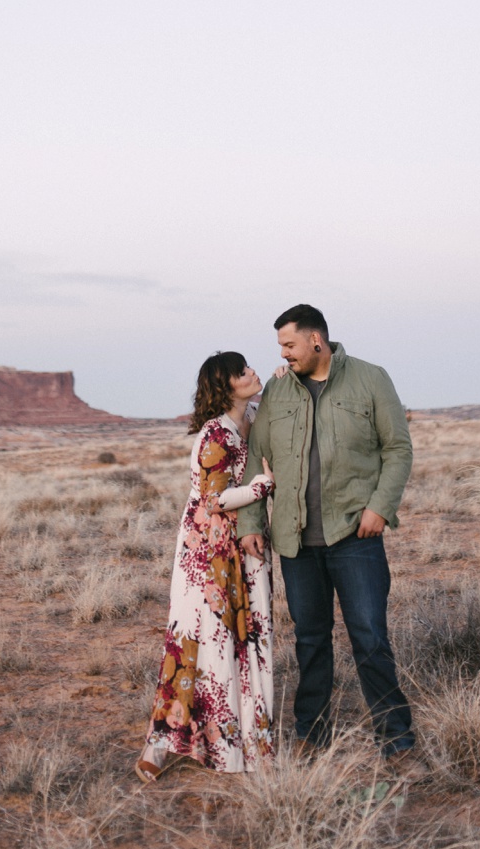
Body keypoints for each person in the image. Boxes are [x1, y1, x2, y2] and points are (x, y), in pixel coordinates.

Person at [238, 304, 422, 773]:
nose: (282, 353)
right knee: (311, 641)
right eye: (281, 346)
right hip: (295, 541)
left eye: (289, 344)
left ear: (316, 340)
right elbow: (256, 457)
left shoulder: (370, 379)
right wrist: (251, 524)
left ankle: (397, 743)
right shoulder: (278, 390)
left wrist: (381, 507)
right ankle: (312, 735)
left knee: (370, 638)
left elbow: (397, 448)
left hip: (355, 535)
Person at [136, 351, 275, 781]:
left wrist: (277, 377)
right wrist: (262, 486)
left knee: (236, 642)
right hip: (206, 553)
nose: (251, 373)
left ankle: (237, 742)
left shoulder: (245, 416)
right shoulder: (216, 432)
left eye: (249, 367)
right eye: (241, 371)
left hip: (236, 545)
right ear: (225, 384)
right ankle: (161, 743)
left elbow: (267, 401)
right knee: (194, 641)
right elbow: (213, 500)